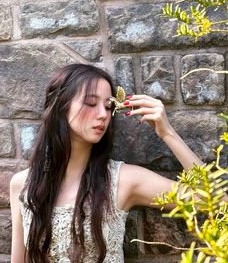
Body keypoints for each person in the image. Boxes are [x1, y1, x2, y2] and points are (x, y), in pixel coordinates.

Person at [10, 63, 203, 263]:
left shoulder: (124, 180)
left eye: (109, 106)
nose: (103, 114)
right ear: (61, 106)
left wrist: (167, 132)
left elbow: (216, 202)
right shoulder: (22, 184)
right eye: (91, 103)